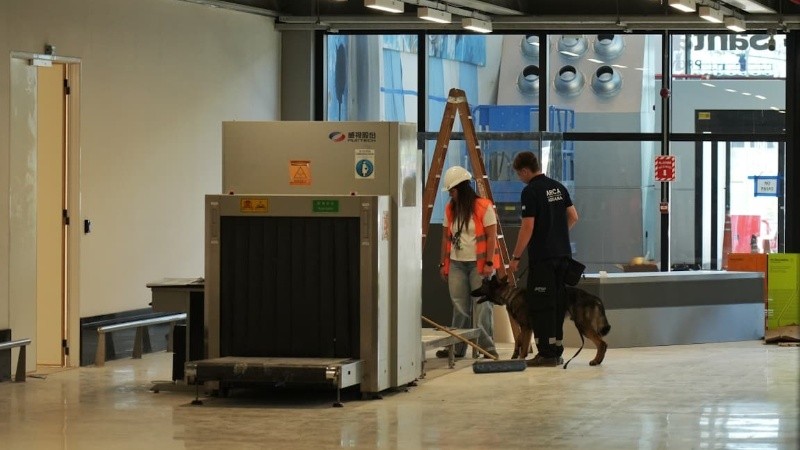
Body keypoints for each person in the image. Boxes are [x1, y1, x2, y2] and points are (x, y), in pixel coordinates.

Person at [508, 151, 579, 367]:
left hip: (543, 259)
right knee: (557, 303)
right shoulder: (558, 187)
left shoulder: (531, 191)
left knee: (540, 305)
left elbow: (527, 226)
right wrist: (557, 235)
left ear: (525, 170)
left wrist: (516, 256)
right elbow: (574, 217)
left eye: (519, 175)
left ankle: (546, 353)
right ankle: (556, 349)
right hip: (563, 257)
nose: (520, 178)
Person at [436, 165, 501, 360]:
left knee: (482, 308)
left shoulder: (484, 206)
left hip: (479, 265)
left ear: (461, 189)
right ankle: (457, 349)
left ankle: (487, 349)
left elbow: (491, 237)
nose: (450, 195)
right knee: (460, 308)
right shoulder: (450, 209)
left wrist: (489, 263)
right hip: (456, 264)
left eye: (452, 191)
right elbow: (445, 238)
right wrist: (443, 264)